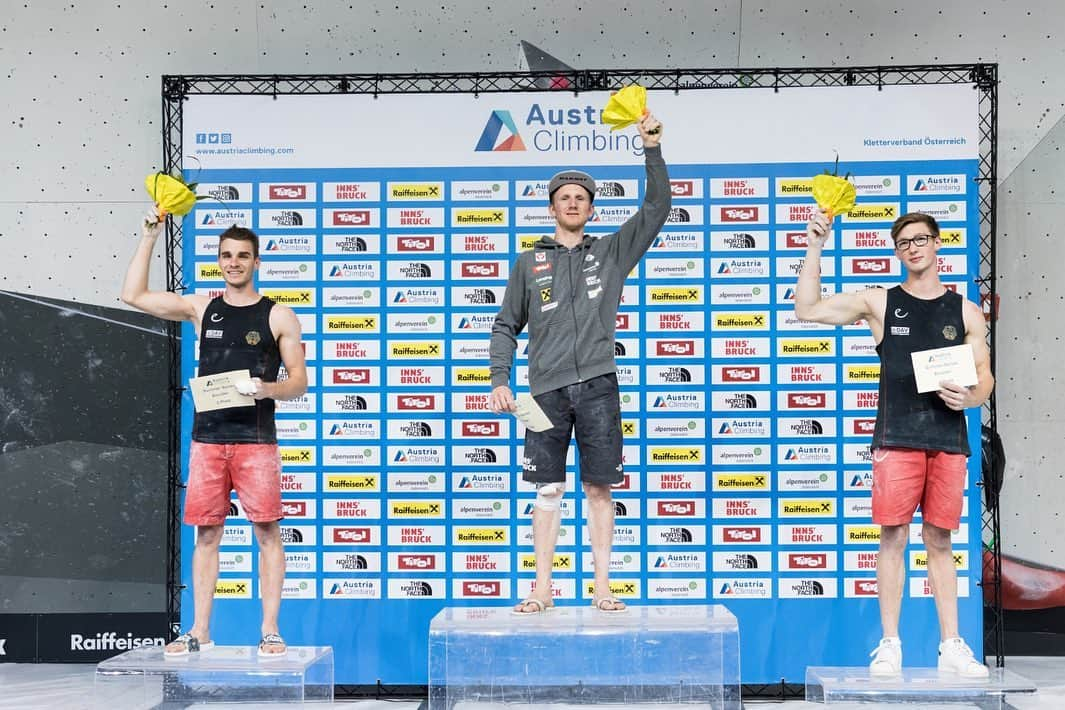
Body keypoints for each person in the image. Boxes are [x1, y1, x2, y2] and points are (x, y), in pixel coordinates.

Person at [795, 209, 993, 678]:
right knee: (894, 537)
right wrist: (815, 247)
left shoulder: (966, 311)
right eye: (904, 242)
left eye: (922, 239)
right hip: (896, 438)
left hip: (947, 439)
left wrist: (970, 397)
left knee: (940, 540)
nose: (914, 247)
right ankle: (890, 644)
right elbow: (807, 309)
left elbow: (985, 379)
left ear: (938, 244)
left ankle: (951, 645)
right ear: (897, 250)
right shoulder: (880, 302)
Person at [489, 113, 669, 614]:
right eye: (564, 197)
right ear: (552, 207)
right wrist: (498, 379)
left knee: (598, 486)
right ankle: (542, 587)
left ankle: (604, 585)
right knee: (547, 487)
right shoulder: (528, 262)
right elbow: (506, 325)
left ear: (591, 208)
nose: (573, 203)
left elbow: (657, 207)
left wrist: (650, 149)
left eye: (581, 197)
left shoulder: (612, 251)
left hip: (597, 385)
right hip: (544, 390)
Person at [121, 218, 308, 658]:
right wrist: (148, 234)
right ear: (219, 261)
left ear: (256, 261)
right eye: (226, 255)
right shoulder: (202, 309)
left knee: (267, 533)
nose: (234, 262)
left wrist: (268, 388)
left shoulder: (279, 314)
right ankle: (200, 631)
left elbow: (299, 381)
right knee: (207, 535)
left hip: (256, 442)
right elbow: (133, 296)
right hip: (207, 441)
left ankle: (270, 631)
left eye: (243, 255)